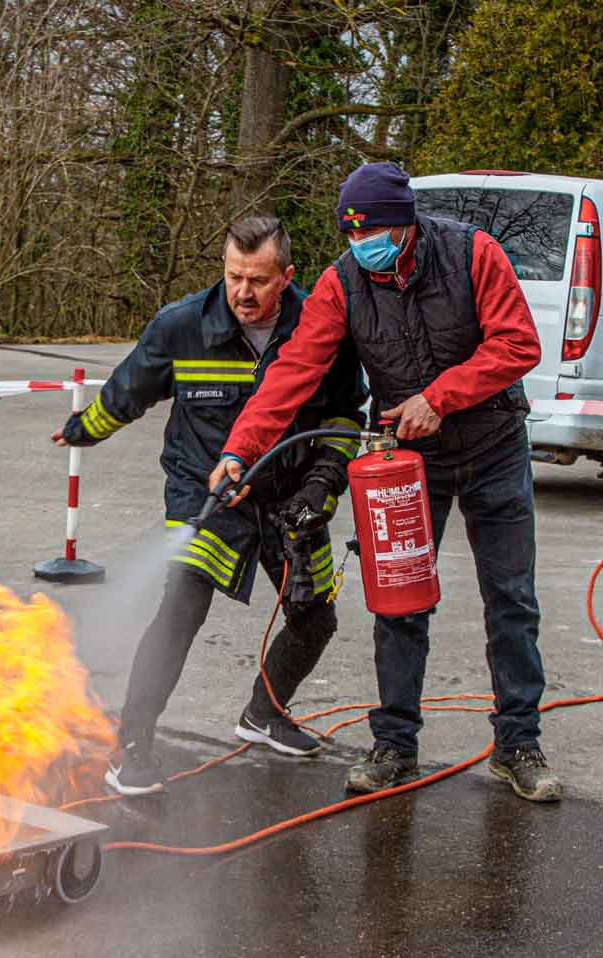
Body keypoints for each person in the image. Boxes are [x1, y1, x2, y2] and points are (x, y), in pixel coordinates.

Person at [210, 163, 561, 803]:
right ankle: (395, 745)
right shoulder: (343, 283)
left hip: (493, 448)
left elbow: (517, 344)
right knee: (399, 601)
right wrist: (242, 450)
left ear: (406, 225)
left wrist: (441, 397)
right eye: (352, 236)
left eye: (373, 233)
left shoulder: (472, 253)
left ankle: (518, 745)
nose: (362, 246)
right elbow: (292, 372)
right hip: (407, 459)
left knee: (510, 599)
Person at [52, 217, 365, 796]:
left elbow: (347, 413)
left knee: (315, 614)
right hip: (205, 494)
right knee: (181, 611)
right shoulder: (182, 326)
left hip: (291, 498)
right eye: (233, 277)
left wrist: (322, 484)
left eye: (260, 280)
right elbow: (129, 389)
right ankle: (133, 745)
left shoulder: (322, 330)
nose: (243, 293)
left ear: (288, 277)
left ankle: (263, 713)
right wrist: (83, 429)